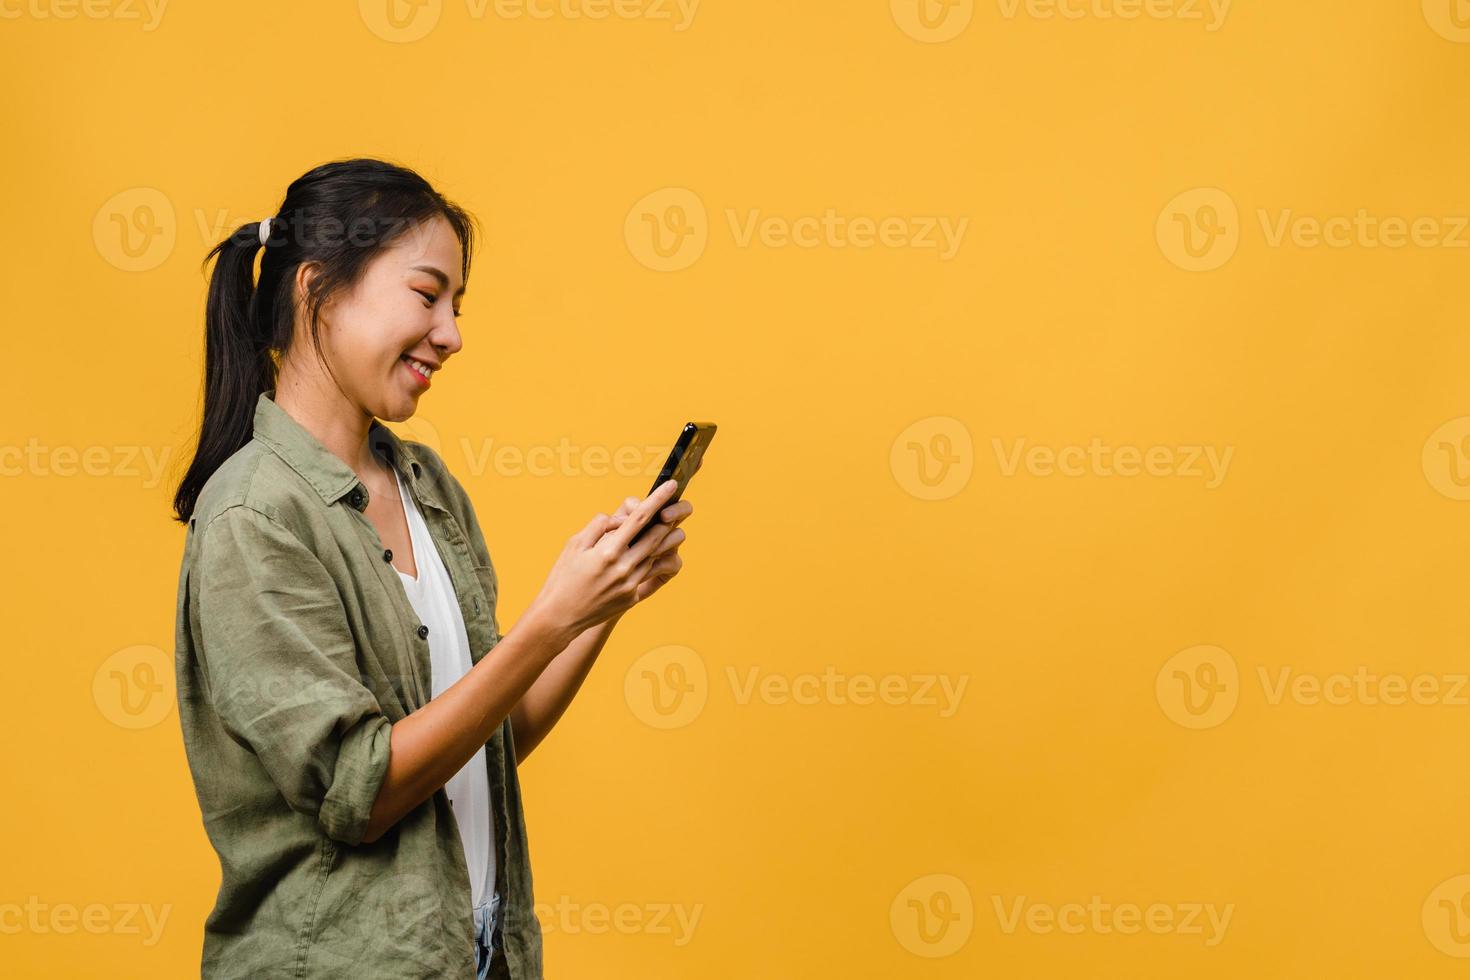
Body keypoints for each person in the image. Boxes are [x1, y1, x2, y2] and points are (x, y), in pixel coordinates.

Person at [169, 157, 690, 978]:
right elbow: (361, 791)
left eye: (456, 305)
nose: (451, 333)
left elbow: (482, 741)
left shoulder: (426, 486)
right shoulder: (253, 515)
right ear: (316, 292)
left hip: (478, 955)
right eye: (426, 294)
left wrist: (597, 609)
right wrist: (550, 620)